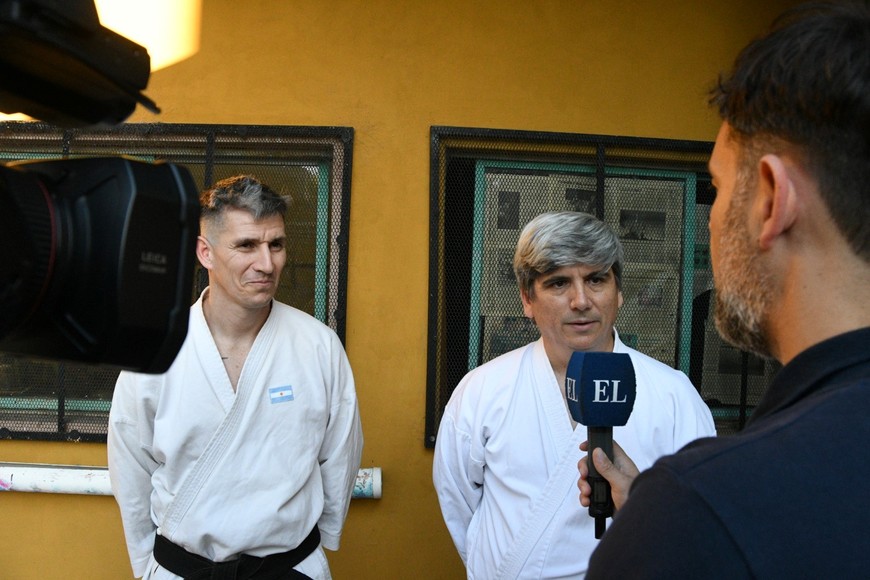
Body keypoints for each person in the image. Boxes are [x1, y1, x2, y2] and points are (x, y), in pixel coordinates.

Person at [578, 2, 870, 577]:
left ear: (770, 199)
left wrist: (673, 529)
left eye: (716, 186)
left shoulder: (698, 510)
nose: (709, 218)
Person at [432, 211, 715, 578]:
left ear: (619, 291)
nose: (581, 301)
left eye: (596, 279)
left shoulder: (673, 395)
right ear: (527, 298)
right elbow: (458, 503)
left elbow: (700, 515)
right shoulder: (482, 390)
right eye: (559, 283)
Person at [108, 175, 363, 580]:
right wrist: (146, 561)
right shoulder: (156, 349)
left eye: (275, 244)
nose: (267, 263)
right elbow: (130, 466)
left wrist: (322, 537)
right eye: (246, 245)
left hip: (289, 567)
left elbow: (341, 454)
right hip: (183, 568)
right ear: (205, 252)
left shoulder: (318, 345)